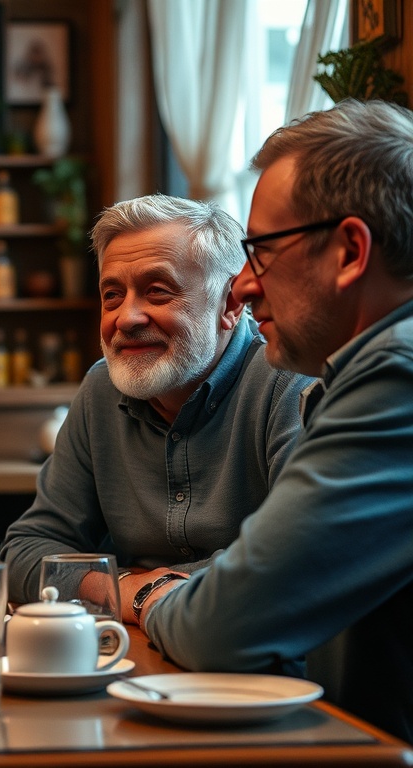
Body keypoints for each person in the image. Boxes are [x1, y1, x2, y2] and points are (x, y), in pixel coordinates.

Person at [130, 99, 413, 742]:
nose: (242, 288)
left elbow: (220, 627)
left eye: (260, 252)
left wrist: (144, 595)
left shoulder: (397, 379)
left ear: (349, 251)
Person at [1, 194, 313, 605]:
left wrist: (140, 588)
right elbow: (25, 553)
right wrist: (122, 589)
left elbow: (291, 559)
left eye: (157, 291)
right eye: (112, 295)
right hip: (132, 653)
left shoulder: (287, 382)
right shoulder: (100, 390)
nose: (126, 318)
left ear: (230, 305)